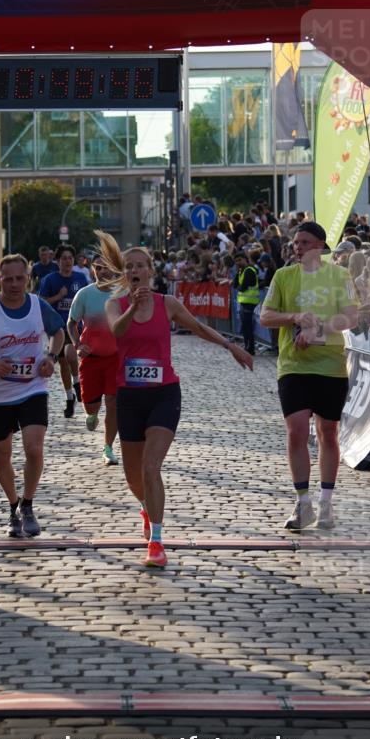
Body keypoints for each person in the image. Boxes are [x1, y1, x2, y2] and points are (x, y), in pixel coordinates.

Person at [98, 231, 253, 569]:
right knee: (133, 476)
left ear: (151, 271)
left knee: (151, 467)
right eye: (130, 267)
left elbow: (198, 328)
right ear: (125, 273)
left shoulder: (167, 304)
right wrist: (133, 307)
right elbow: (117, 333)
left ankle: (156, 541)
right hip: (129, 397)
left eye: (141, 265)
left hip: (164, 393)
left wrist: (231, 347)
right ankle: (147, 507)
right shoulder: (115, 305)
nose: (136, 270)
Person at [260, 221, 358, 531]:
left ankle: (326, 502)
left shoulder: (339, 275)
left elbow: (351, 317)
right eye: (295, 242)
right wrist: (294, 317)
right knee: (296, 430)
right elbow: (265, 316)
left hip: (330, 364)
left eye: (304, 242)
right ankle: (303, 503)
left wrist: (319, 327)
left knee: (328, 432)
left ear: (320, 246)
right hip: (294, 365)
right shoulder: (284, 276)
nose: (297, 247)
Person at [0, 254, 64, 537]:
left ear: (28, 279)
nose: (15, 284)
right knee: (2, 454)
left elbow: (58, 332)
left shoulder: (38, 306)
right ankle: (13, 505)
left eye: (20, 278)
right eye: (9, 279)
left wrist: (50, 357)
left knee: (33, 448)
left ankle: (28, 504)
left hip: (33, 387)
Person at [67, 256, 120, 466]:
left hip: (116, 358)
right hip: (91, 358)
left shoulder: (123, 294)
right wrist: (78, 345)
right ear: (92, 271)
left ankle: (108, 448)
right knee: (91, 406)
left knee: (113, 403)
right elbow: (72, 323)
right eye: (98, 268)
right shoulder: (85, 294)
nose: (103, 272)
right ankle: (92, 414)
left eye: (106, 268)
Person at [39, 245, 88, 417]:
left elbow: (86, 301)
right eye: (64, 258)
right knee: (64, 364)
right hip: (57, 327)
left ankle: (77, 384)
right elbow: (42, 301)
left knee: (71, 355)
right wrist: (58, 297)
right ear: (57, 261)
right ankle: (70, 397)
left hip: (75, 326)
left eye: (70, 258)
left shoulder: (80, 278)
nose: (67, 261)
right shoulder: (50, 279)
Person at [234, 252, 260, 356]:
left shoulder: (249, 270)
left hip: (250, 302)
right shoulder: (241, 271)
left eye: (240, 260)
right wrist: (237, 273)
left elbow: (242, 287)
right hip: (244, 302)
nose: (238, 263)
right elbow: (236, 284)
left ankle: (250, 348)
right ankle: (247, 346)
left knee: (248, 326)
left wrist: (239, 287)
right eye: (236, 261)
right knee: (245, 326)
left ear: (245, 259)